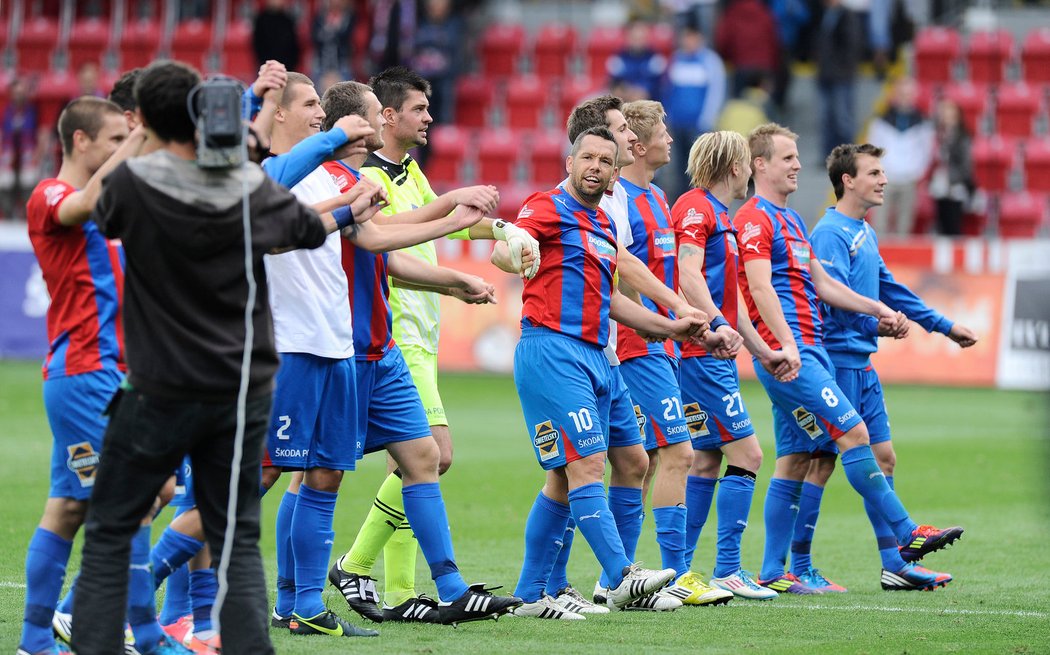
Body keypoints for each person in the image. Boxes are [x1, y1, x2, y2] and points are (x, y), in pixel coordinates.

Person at [68, 59, 336, 655]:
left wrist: (145, 138)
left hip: (156, 388)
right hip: (238, 392)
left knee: (110, 532)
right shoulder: (248, 186)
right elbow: (309, 229)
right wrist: (247, 152)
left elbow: (98, 206)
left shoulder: (135, 186)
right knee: (235, 537)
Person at [260, 69, 520, 634]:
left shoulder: (367, 175)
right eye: (381, 110)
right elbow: (376, 235)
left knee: (423, 456)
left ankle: (447, 586)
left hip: (379, 346)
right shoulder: (329, 176)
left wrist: (452, 277)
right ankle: (289, 595)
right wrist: (451, 215)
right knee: (295, 475)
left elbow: (382, 250)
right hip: (330, 348)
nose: (388, 118)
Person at [329, 65, 538, 624]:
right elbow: (387, 255)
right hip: (391, 335)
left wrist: (503, 232)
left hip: (420, 335)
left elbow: (448, 224)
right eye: (419, 109)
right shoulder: (365, 179)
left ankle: (399, 590)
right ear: (387, 115)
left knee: (414, 460)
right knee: (431, 456)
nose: (430, 118)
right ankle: (356, 564)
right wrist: (453, 275)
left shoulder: (408, 172)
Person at [500, 94, 710, 617]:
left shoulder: (602, 227)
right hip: (554, 351)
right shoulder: (545, 207)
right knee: (586, 465)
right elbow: (509, 243)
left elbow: (612, 299)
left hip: (601, 356)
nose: (595, 167)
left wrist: (670, 326)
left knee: (631, 461)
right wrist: (511, 251)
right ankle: (622, 577)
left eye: (604, 161)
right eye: (587, 158)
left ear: (616, 173)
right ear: (570, 163)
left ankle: (530, 595)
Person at [733, 123, 965, 595]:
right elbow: (757, 287)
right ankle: (904, 536)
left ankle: (780, 571)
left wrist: (881, 309)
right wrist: (783, 344)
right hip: (796, 354)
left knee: (802, 458)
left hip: (814, 350)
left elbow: (825, 286)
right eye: (788, 157)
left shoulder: (794, 222)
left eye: (798, 156)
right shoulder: (757, 219)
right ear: (760, 165)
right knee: (833, 446)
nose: (799, 164)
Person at [21, 95, 169, 655]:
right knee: (136, 495)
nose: (122, 149)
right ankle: (138, 635)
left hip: (103, 375)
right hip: (86, 373)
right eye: (113, 139)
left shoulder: (109, 211)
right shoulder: (49, 195)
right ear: (80, 141)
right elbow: (80, 203)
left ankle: (37, 641)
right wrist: (139, 137)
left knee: (70, 507)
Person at [792, 142, 976, 592]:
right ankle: (797, 564)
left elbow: (890, 289)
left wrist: (943, 325)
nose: (884, 180)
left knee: (885, 458)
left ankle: (895, 564)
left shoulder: (864, 232)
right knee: (819, 463)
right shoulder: (830, 233)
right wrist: (878, 327)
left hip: (863, 367)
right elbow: (828, 303)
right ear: (848, 180)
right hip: (835, 364)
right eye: (874, 172)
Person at [616, 99, 735, 607]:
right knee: (678, 452)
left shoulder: (659, 199)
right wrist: (668, 327)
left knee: (635, 462)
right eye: (662, 130)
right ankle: (676, 571)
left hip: (664, 344)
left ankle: (621, 575)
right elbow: (621, 274)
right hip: (635, 345)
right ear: (639, 144)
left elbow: (665, 279)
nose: (671, 138)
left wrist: (697, 329)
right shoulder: (618, 199)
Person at [672, 130, 791, 601]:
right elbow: (687, 273)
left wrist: (764, 351)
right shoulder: (697, 208)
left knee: (705, 460)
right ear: (738, 166)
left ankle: (680, 570)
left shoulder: (718, 214)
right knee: (749, 454)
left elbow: (730, 296)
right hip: (700, 353)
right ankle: (726, 569)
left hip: (711, 351)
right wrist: (717, 324)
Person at [662, 20, 725, 201]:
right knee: (680, 168)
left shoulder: (711, 61)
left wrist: (707, 120)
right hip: (678, 124)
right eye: (685, 37)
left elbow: (716, 92)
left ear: (699, 38)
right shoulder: (676, 60)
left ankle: (702, 204)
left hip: (699, 126)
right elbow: (668, 91)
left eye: (691, 37)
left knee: (699, 168)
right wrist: (668, 119)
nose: (687, 41)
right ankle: (682, 204)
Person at [867, 78, 934, 236]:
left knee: (904, 225)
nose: (905, 98)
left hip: (909, 178)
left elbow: (927, 151)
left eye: (909, 94)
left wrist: (917, 171)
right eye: (902, 94)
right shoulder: (881, 121)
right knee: (880, 223)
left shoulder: (922, 122)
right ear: (895, 95)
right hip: (885, 179)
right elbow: (872, 148)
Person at [816, 0, 864, 158]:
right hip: (826, 75)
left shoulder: (847, 16)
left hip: (842, 75)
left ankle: (847, 156)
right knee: (827, 118)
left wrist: (841, 66)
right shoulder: (823, 14)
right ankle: (828, 155)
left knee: (843, 118)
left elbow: (852, 45)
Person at [929, 99, 973, 237]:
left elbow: (966, 163)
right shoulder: (939, 134)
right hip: (941, 183)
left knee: (954, 223)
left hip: (955, 184)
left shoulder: (962, 136)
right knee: (942, 221)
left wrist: (956, 178)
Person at [606, 19, 668, 102]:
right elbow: (614, 85)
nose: (638, 42)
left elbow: (659, 86)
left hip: (650, 105)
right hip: (624, 102)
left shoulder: (656, 59)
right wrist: (628, 91)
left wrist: (642, 92)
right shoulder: (617, 59)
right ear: (628, 37)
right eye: (635, 38)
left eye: (641, 38)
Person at [253, 0, 301, 72]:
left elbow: (293, 44)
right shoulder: (261, 20)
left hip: (287, 66)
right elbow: (258, 44)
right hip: (267, 66)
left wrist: (292, 63)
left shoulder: (287, 20)